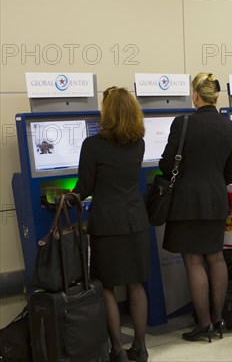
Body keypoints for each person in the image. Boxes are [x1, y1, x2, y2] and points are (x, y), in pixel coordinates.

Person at [160, 73, 232, 343]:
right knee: (216, 258)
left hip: (187, 202)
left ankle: (204, 323)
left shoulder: (183, 124)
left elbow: (167, 164)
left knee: (193, 260)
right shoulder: (229, 127)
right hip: (217, 200)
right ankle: (219, 320)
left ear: (195, 95)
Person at [72, 87, 150, 362]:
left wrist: (66, 199)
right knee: (135, 285)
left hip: (106, 224)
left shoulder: (92, 146)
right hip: (135, 221)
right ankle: (140, 348)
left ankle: (117, 351)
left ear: (107, 113)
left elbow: (84, 187)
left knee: (106, 286)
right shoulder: (138, 143)